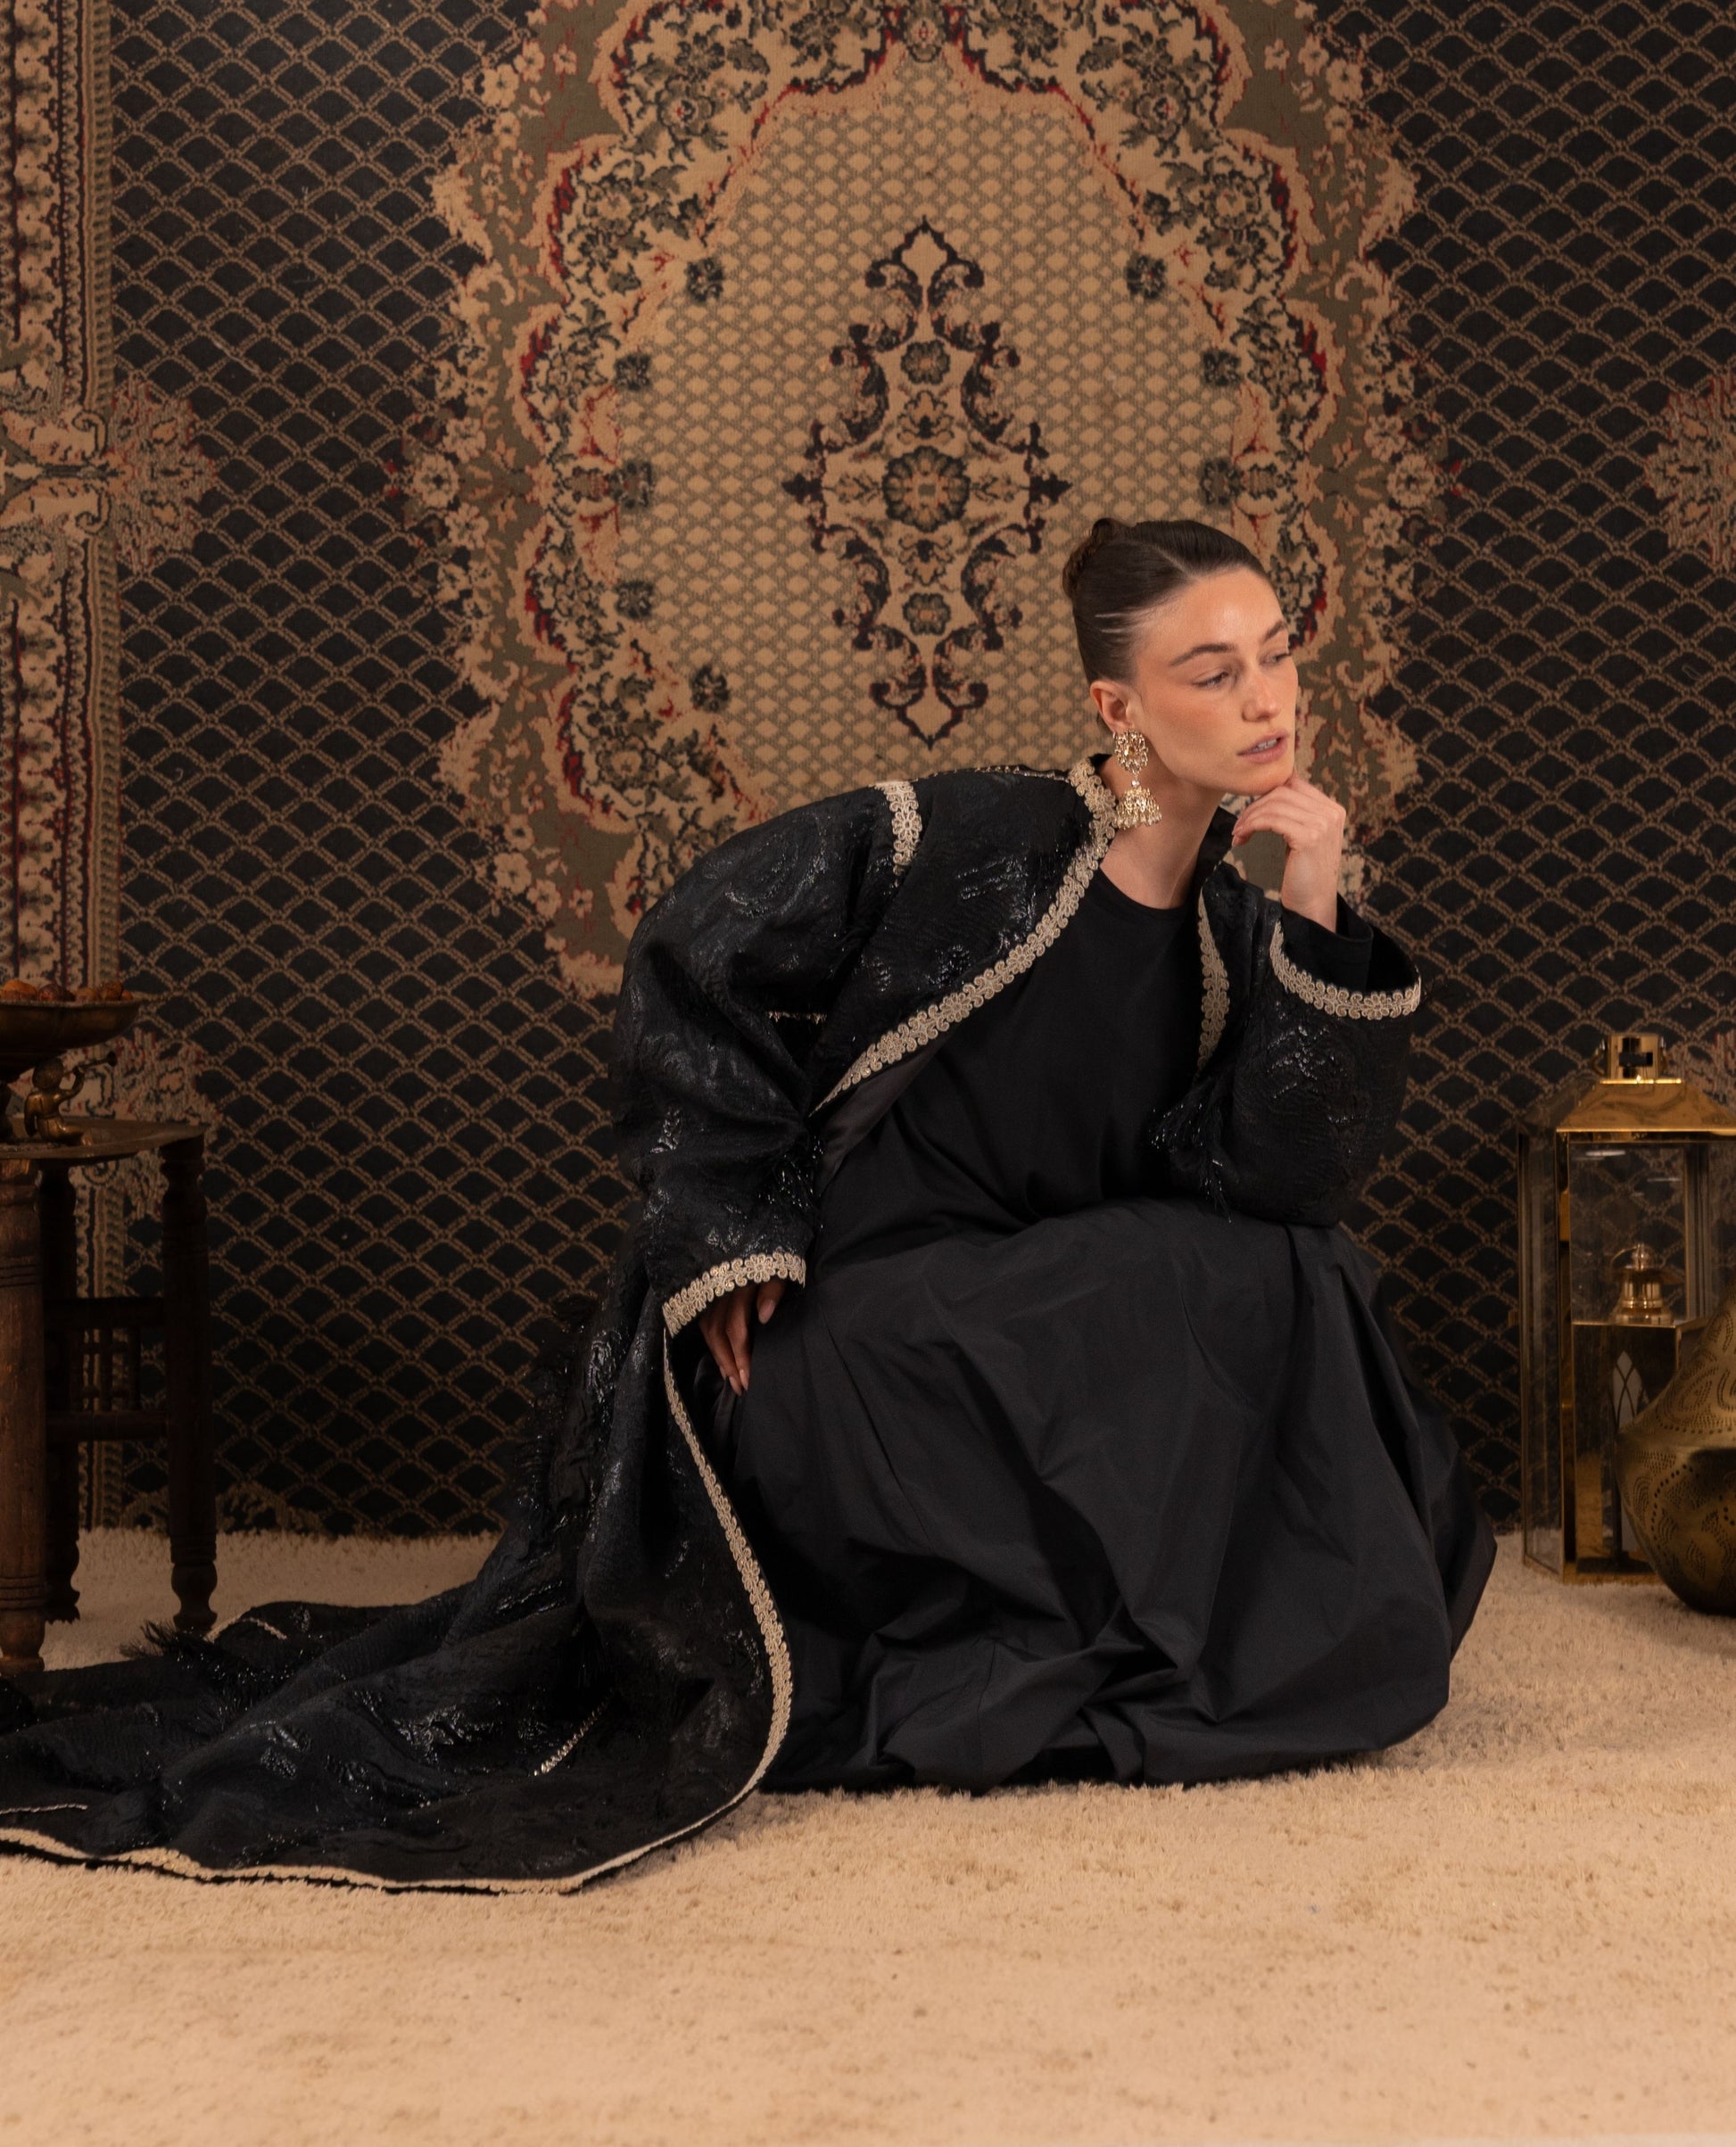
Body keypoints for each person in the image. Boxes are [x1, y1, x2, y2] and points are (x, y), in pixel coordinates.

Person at [0, 518, 1490, 1888]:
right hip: (849, 1326)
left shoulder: (1232, 921)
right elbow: (694, 944)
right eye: (1211, 671)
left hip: (1034, 1311)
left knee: (1296, 1272)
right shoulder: (976, 838)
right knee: (1238, 1281)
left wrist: (1312, 903)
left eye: (1276, 653)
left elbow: (1280, 1185)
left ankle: (1229, 1652)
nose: (1263, 699)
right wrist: (725, 1235)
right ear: (1119, 706)